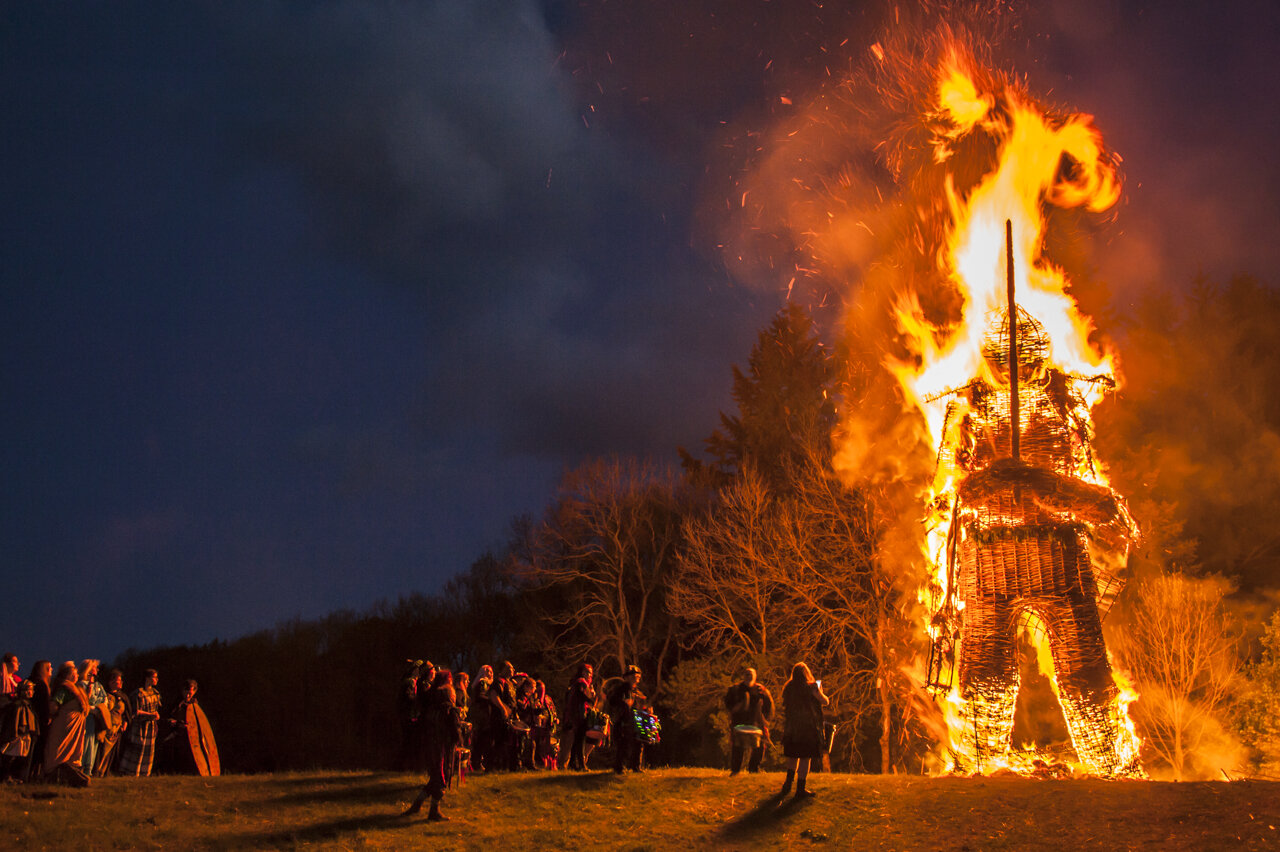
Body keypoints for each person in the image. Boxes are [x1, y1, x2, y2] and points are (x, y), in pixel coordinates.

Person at [403, 670, 464, 822]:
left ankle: (417, 804)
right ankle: (433, 811)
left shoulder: (431, 698)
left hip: (430, 740)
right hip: (441, 742)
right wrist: (457, 736)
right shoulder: (446, 699)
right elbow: (451, 722)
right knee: (441, 776)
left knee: (436, 776)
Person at [780, 662, 828, 798]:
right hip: (807, 727)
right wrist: (820, 690)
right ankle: (800, 789)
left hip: (792, 726)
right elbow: (825, 701)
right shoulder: (812, 687)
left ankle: (787, 784)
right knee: (805, 758)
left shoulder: (788, 687)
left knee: (793, 756)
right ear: (806, 673)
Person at [44, 662, 90, 786]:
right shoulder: (64, 688)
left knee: (74, 749)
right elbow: (54, 704)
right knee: (60, 748)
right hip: (65, 724)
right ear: (68, 676)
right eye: (73, 674)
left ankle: (71, 772)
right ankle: (54, 773)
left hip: (76, 726)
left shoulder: (78, 689)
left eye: (76, 674)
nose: (76, 676)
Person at [725, 667, 774, 775]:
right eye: (747, 674)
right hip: (739, 723)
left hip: (757, 723)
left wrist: (766, 719)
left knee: (759, 747)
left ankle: (754, 769)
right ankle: (735, 770)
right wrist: (736, 707)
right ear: (743, 676)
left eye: (751, 674)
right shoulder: (736, 689)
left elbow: (769, 706)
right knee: (738, 747)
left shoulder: (761, 690)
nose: (749, 676)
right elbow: (728, 704)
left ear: (755, 676)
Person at [118, 669, 162, 776]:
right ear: (147, 678)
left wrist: (156, 716)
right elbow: (135, 711)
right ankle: (132, 772)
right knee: (137, 750)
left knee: (148, 751)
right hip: (140, 726)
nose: (156, 679)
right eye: (154, 677)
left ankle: (144, 773)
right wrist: (149, 715)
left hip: (150, 726)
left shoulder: (155, 693)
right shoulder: (138, 693)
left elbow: (157, 709)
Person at [608, 665, 647, 774]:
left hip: (635, 722)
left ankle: (636, 767)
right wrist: (623, 702)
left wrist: (647, 709)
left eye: (637, 676)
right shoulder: (620, 689)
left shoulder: (638, 692)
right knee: (622, 744)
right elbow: (612, 701)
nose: (635, 678)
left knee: (639, 743)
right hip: (622, 721)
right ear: (626, 678)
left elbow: (642, 706)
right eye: (632, 676)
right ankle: (619, 767)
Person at [94, 669, 131, 776]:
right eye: (118, 680)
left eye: (121, 680)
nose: (121, 683)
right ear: (111, 682)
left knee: (111, 753)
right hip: (106, 727)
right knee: (101, 751)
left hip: (117, 728)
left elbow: (126, 713)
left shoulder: (123, 697)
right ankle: (97, 771)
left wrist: (125, 723)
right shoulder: (105, 695)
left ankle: (104, 772)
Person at [0, 679, 38, 782]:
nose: (32, 692)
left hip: (25, 735)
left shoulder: (27, 705)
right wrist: (14, 734)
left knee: (20, 756)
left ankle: (14, 776)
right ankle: (6, 776)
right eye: (30, 689)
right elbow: (15, 721)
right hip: (18, 735)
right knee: (11, 756)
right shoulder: (18, 706)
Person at [562, 663, 595, 771]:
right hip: (578, 714)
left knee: (577, 740)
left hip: (575, 714)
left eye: (591, 673)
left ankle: (572, 763)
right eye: (588, 672)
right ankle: (581, 765)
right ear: (583, 672)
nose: (590, 675)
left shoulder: (576, 683)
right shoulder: (581, 682)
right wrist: (592, 694)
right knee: (580, 740)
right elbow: (586, 697)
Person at [78, 659, 107, 779]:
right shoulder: (81, 684)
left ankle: (89, 769)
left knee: (93, 743)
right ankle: (82, 769)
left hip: (96, 719)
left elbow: (104, 700)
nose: (97, 670)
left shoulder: (98, 685)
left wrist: (99, 708)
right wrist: (92, 708)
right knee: (85, 743)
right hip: (86, 718)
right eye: (95, 667)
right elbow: (82, 701)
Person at [25, 660, 52, 780]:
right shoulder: (41, 685)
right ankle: (33, 774)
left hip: (29, 720)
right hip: (39, 721)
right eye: (49, 667)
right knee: (38, 748)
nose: (52, 669)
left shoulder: (31, 681)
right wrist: (47, 718)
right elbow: (44, 705)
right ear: (44, 669)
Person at [396, 660, 421, 771]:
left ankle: (406, 765)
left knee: (409, 741)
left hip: (410, 714)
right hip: (408, 715)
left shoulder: (414, 682)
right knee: (408, 741)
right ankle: (401, 765)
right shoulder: (410, 682)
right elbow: (409, 698)